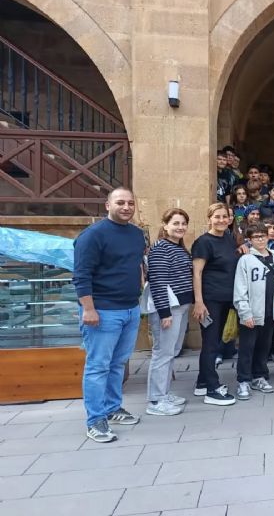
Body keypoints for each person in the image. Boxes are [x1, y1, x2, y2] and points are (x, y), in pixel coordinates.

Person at [74, 188, 147, 442]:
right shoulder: (92, 235)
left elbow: (136, 266)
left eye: (130, 203)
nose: (126, 207)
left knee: (118, 363)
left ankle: (112, 407)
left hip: (130, 308)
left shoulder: (137, 234)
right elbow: (81, 275)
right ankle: (95, 420)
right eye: (120, 202)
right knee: (97, 366)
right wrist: (88, 309)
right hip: (102, 311)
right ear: (108, 205)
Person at [145, 208, 193, 417]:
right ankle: (156, 400)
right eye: (176, 223)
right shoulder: (160, 248)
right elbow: (157, 282)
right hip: (168, 309)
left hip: (180, 307)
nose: (180, 227)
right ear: (165, 225)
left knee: (171, 351)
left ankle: (164, 393)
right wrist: (164, 313)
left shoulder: (179, 248)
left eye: (183, 223)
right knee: (162, 353)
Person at [233, 223, 274, 399]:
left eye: (263, 236)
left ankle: (259, 376)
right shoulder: (245, 260)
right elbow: (240, 288)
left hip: (270, 310)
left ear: (268, 237)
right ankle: (243, 380)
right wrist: (245, 312)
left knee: (264, 347)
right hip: (252, 311)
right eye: (256, 237)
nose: (260, 240)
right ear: (250, 240)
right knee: (247, 347)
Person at [191, 203, 239, 406]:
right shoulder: (203, 242)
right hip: (210, 300)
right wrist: (199, 302)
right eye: (217, 217)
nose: (221, 220)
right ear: (209, 219)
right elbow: (197, 273)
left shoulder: (228, 238)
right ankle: (212, 389)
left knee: (215, 341)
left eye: (224, 216)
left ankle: (202, 382)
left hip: (226, 299)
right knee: (210, 344)